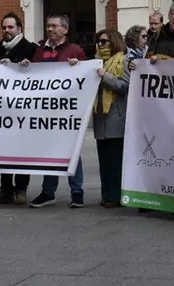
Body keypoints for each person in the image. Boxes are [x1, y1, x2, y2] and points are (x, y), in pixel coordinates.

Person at [28, 13, 87, 208]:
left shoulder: (75, 51)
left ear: (65, 29)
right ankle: (48, 192)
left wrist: (78, 67)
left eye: (54, 26)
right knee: (48, 151)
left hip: (67, 112)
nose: (50, 30)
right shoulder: (38, 51)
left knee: (72, 151)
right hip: (45, 111)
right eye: (48, 26)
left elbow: (84, 79)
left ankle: (77, 192)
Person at [0, 11, 38, 205]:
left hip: (22, 109)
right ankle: (5, 189)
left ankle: (21, 189)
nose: (7, 31)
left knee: (22, 150)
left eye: (11, 27)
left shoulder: (31, 48)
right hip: (0, 110)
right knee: (3, 150)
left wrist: (24, 66)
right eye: (4, 27)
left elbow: (39, 74)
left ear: (19, 29)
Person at [92, 29, 129, 208]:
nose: (100, 44)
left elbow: (124, 86)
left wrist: (104, 76)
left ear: (113, 41)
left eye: (104, 41)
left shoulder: (124, 60)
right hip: (100, 117)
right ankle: (107, 195)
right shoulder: (96, 61)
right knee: (104, 162)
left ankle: (117, 196)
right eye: (98, 41)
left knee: (116, 162)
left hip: (117, 117)